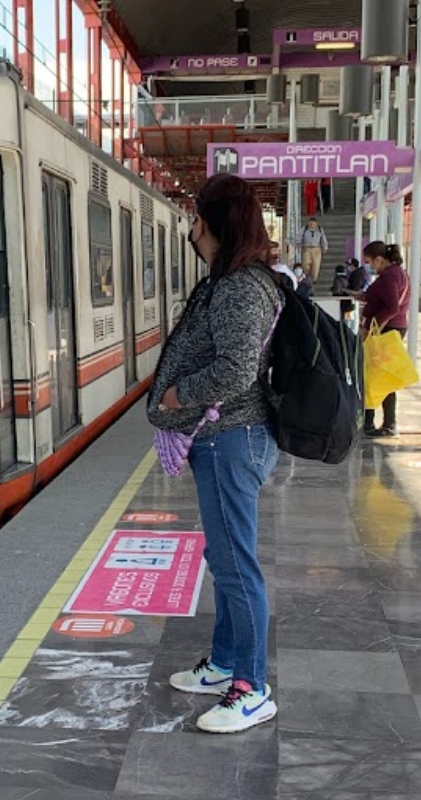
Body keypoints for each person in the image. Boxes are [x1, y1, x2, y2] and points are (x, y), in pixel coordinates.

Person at [147, 173, 283, 734]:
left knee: (236, 568)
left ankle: (251, 688)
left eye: (196, 213)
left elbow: (236, 368)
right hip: (222, 438)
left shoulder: (238, 288)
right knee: (224, 560)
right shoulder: (229, 280)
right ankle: (225, 663)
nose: (190, 223)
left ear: (211, 221)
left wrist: (176, 394)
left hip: (233, 438)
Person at [358, 241, 410, 438]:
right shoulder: (398, 273)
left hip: (385, 330)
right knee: (381, 375)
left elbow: (391, 308)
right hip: (394, 328)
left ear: (379, 259)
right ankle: (383, 422)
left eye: (370, 261)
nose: (369, 266)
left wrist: (373, 326)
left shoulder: (389, 276)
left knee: (375, 376)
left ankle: (377, 422)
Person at [296, 217, 328, 284]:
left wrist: (325, 247)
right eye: (311, 223)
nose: (312, 224)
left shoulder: (320, 229)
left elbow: (323, 239)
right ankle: (306, 276)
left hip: (316, 249)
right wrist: (298, 243)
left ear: (316, 224)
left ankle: (314, 280)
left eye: (313, 223)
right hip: (307, 248)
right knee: (305, 263)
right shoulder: (304, 229)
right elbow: (299, 236)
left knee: (316, 265)